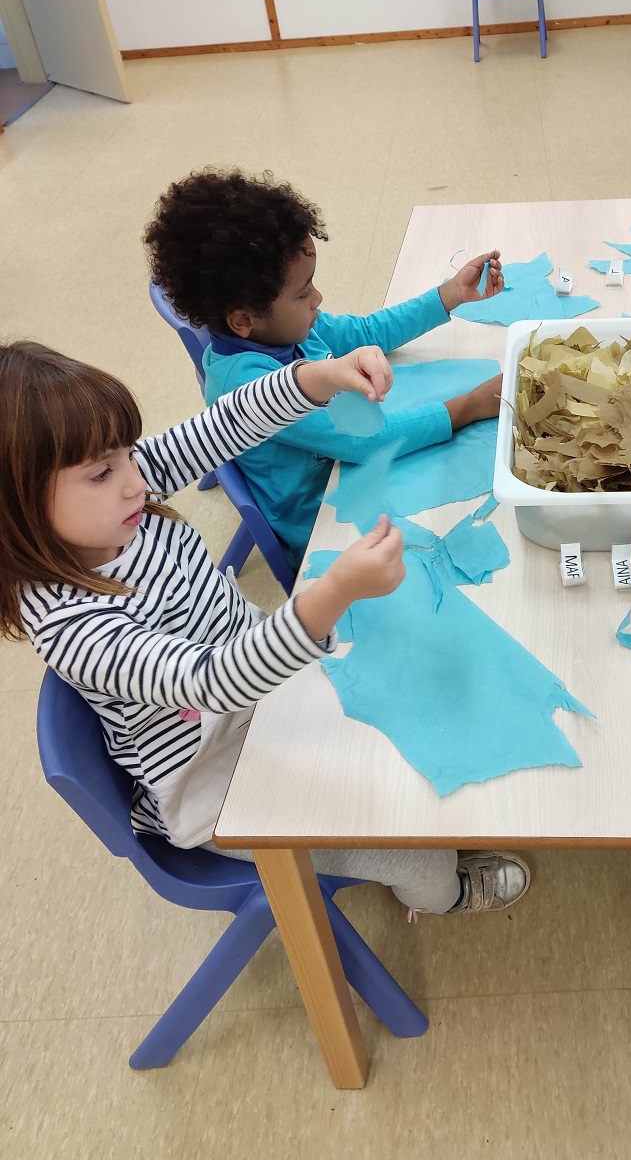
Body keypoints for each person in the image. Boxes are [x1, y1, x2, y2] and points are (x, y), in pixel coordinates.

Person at [0, 340, 529, 916]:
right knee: (414, 852)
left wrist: (320, 377)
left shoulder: (120, 496)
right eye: (103, 472)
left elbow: (224, 425)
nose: (135, 480)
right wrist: (334, 593)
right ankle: (446, 896)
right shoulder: (69, 624)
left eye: (127, 454)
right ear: (17, 505)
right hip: (215, 778)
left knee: (411, 703)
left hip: (265, 692)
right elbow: (210, 682)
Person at [143, 168, 505, 568]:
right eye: (303, 293)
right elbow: (365, 442)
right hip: (320, 519)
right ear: (243, 320)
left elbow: (365, 332)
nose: (317, 297)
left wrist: (449, 295)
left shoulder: (284, 328)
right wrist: (471, 406)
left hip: (345, 460)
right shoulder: (248, 388)